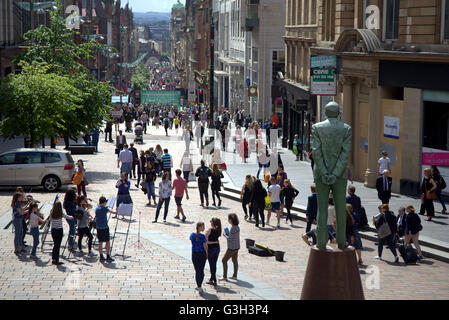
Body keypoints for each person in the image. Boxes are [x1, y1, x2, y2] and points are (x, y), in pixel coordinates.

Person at [95, 197, 116, 263]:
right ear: (104, 202)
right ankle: (108, 256)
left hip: (98, 227)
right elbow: (114, 212)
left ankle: (101, 256)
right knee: (107, 241)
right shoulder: (105, 209)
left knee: (100, 242)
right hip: (104, 227)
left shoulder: (96, 208)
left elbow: (101, 208)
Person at [220, 214, 240, 281]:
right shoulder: (237, 227)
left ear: (231, 220)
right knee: (235, 260)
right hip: (237, 247)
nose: (228, 220)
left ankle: (224, 276)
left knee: (224, 260)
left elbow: (230, 239)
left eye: (228, 219)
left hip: (231, 247)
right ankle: (235, 275)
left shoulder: (233, 228)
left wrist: (225, 235)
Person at [190, 222, 208, 294]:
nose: (204, 228)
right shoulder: (203, 236)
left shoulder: (192, 235)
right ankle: (199, 285)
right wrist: (207, 254)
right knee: (201, 270)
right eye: (203, 227)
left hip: (194, 254)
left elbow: (192, 242)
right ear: (200, 227)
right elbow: (205, 246)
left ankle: (199, 285)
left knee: (197, 270)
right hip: (202, 254)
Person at [205, 218, 221, 287]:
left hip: (211, 249)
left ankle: (214, 280)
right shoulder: (219, 230)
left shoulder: (209, 230)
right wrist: (215, 242)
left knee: (212, 265)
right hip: (217, 248)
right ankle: (212, 279)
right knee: (214, 264)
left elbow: (206, 242)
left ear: (213, 223)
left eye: (211, 221)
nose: (210, 222)